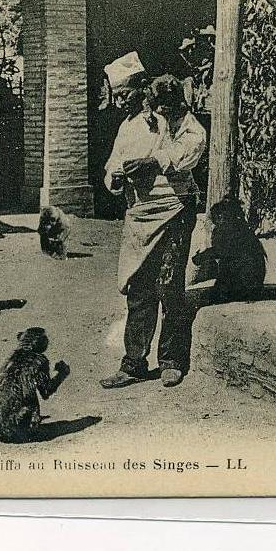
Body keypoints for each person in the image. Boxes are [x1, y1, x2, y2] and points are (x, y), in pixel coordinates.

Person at [100, 54, 207, 389]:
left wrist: (155, 162)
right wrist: (114, 179)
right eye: (116, 96)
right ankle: (132, 363)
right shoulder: (127, 126)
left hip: (173, 209)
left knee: (168, 284)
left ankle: (172, 360)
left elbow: (194, 142)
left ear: (142, 88)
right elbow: (112, 165)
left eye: (125, 95)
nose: (120, 102)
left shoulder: (168, 115)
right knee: (139, 288)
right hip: (139, 215)